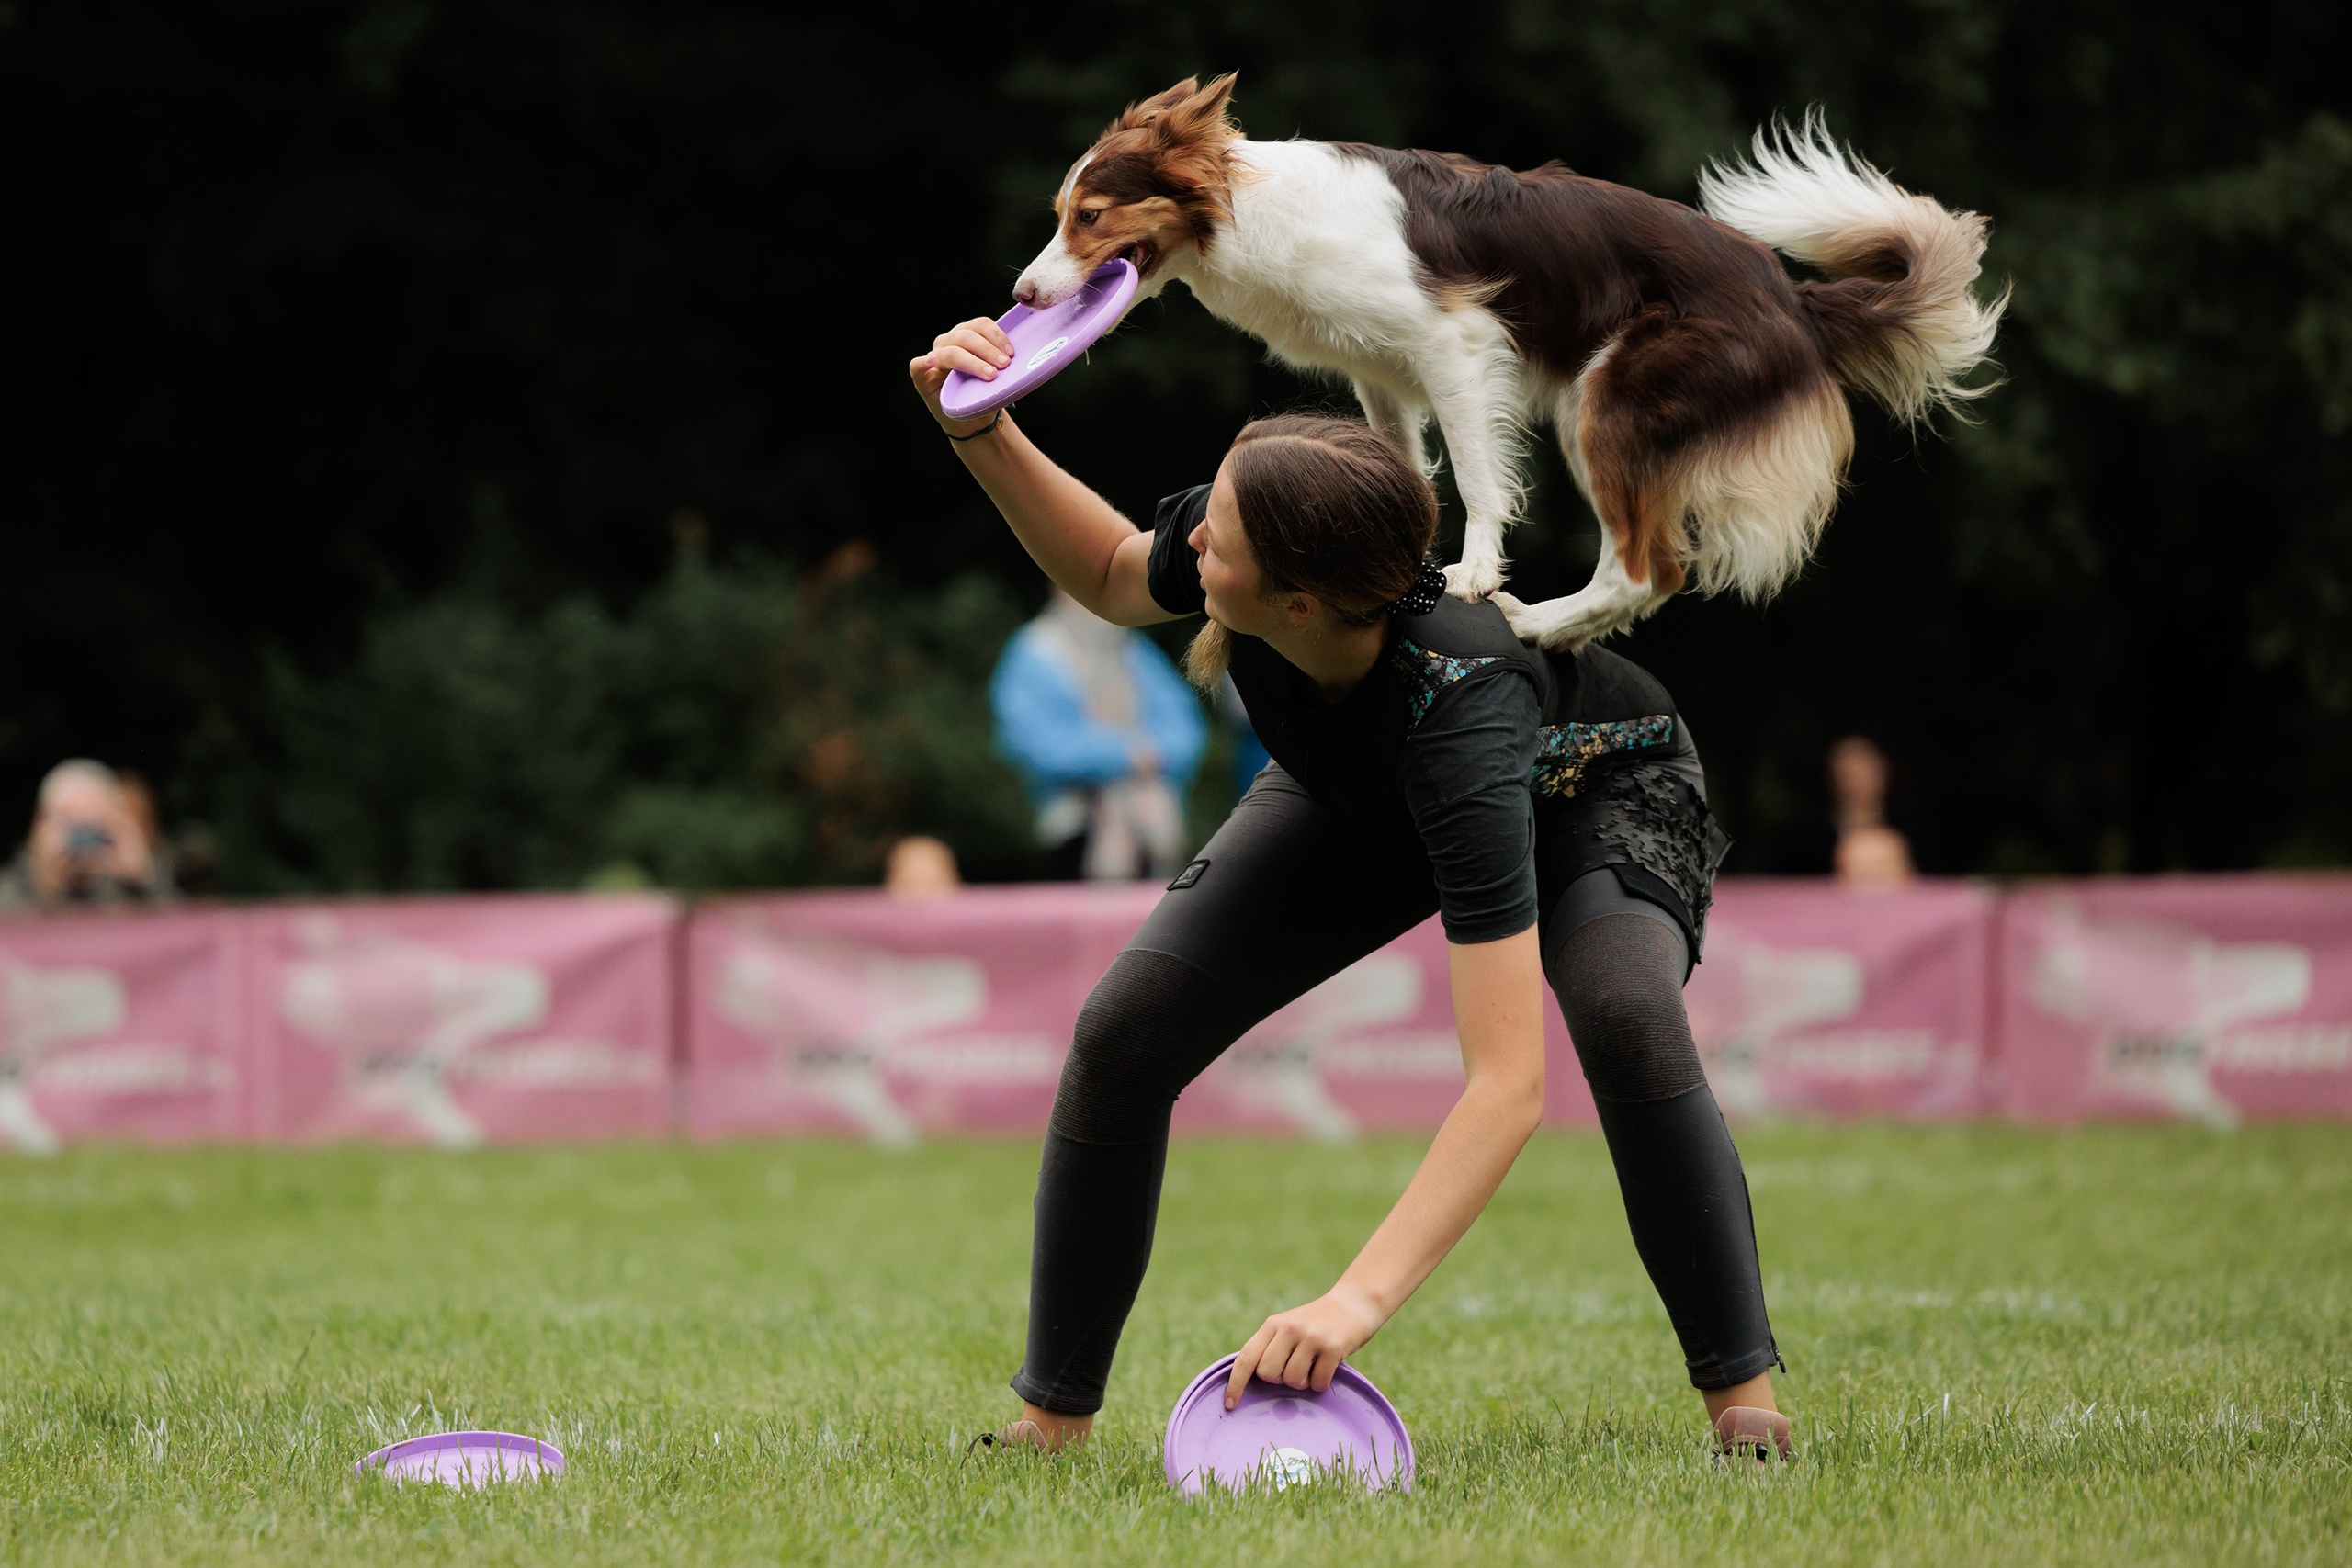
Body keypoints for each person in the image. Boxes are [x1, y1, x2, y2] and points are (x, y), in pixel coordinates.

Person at [911, 321, 1790, 1463]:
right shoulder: (1266, 549)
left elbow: (1504, 1087)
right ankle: (1050, 1423)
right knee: (1123, 1033)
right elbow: (1117, 573)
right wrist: (977, 427)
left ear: (1298, 608)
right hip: (1361, 787)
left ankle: (1746, 1408)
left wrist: (1351, 1304)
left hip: (1590, 786)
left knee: (1622, 1016)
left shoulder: (1459, 707)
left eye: (1212, 544)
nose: (1191, 549)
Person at [990, 588, 1206, 880]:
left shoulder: (1131, 649)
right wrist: (1127, 756)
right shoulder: (1035, 650)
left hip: (1149, 828)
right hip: (1074, 827)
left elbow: (1185, 727)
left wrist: (1149, 753)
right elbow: (1040, 746)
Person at [0, 760, 175, 910]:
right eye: (71, 822)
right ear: (40, 824)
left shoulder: (128, 885)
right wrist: (41, 881)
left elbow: (182, 935)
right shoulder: (14, 883)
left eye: (96, 824)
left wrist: (142, 878)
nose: (84, 839)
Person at [1828, 736, 1916, 887]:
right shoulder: (1810, 840)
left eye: (1865, 772)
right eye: (1849, 775)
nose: (1857, 783)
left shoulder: (1913, 828)